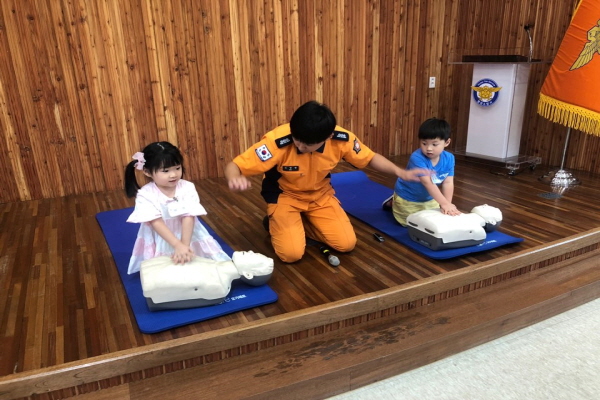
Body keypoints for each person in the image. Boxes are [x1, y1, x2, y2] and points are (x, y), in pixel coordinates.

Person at [224, 100, 430, 263]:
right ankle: (277, 222)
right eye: (296, 140)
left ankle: (297, 224)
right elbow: (234, 165)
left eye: (307, 145)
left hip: (320, 195)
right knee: (291, 255)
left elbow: (370, 158)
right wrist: (234, 177)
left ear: (328, 137)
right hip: (285, 196)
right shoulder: (276, 141)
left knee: (346, 244)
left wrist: (400, 172)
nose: (299, 146)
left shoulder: (341, 139)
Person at [124, 141, 230, 275]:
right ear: (147, 172)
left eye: (177, 168)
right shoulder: (145, 194)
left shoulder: (187, 187)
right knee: (167, 273)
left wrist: (184, 245)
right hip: (163, 235)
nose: (173, 174)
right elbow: (156, 222)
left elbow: (188, 216)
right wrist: (177, 245)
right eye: (166, 171)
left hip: (188, 232)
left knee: (204, 268)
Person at [382, 117, 460, 226]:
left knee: (433, 223)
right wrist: (444, 203)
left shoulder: (450, 158)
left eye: (434, 144)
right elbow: (427, 183)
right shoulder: (417, 158)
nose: (429, 148)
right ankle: (394, 202)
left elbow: (448, 182)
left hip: (429, 198)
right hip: (408, 197)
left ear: (447, 142)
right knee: (410, 224)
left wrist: (447, 204)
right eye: (424, 143)